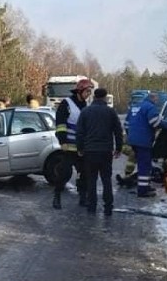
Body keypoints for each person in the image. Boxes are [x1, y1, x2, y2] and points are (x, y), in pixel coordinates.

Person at [76, 87, 123, 216]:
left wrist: (80, 148)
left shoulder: (85, 112)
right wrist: (119, 148)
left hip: (90, 151)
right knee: (106, 180)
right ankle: (108, 207)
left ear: (94, 97)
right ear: (105, 97)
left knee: (91, 180)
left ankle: (92, 206)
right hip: (105, 151)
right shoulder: (110, 112)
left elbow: (79, 132)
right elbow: (118, 131)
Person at [52, 78, 92, 209]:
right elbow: (60, 124)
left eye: (90, 91)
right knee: (64, 173)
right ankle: (57, 197)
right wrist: (62, 141)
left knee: (84, 173)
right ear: (79, 91)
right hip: (68, 146)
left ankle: (83, 197)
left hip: (81, 148)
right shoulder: (67, 103)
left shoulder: (85, 106)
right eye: (87, 91)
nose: (89, 94)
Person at [125, 91, 167, 197]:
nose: (156, 101)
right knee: (145, 165)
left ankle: (145, 185)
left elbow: (127, 124)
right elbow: (155, 122)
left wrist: (132, 135)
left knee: (143, 163)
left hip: (133, 140)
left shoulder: (135, 106)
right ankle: (142, 190)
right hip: (143, 141)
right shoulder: (150, 107)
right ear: (153, 98)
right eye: (156, 99)